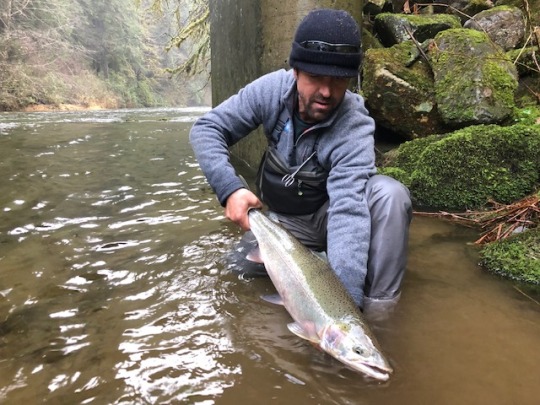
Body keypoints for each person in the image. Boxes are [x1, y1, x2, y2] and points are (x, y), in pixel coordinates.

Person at [189, 8, 412, 312]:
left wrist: (344, 313)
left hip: (332, 216)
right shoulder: (270, 92)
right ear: (295, 71)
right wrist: (230, 189)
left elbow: (348, 212)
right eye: (315, 77)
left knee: (390, 194)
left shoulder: (354, 125)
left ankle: (379, 310)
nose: (326, 91)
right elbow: (207, 129)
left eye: (338, 80)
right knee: (238, 272)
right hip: (287, 222)